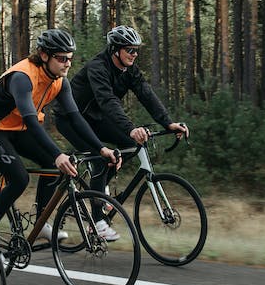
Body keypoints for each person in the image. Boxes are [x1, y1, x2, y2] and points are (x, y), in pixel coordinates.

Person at [0, 28, 120, 243]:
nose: (67, 63)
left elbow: (76, 118)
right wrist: (58, 154)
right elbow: (31, 120)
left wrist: (101, 148)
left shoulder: (59, 80)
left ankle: (40, 223)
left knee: (53, 167)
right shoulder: (22, 76)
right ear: (44, 55)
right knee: (19, 179)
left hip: (17, 129)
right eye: (61, 58)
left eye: (70, 58)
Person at [55, 25, 188, 240]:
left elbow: (146, 94)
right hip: (70, 119)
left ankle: (100, 189)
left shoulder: (130, 70)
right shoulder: (98, 67)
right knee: (100, 159)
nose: (134, 55)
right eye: (130, 50)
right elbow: (107, 101)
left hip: (94, 118)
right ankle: (97, 222)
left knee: (131, 145)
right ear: (115, 49)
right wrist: (131, 127)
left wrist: (168, 123)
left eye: (137, 51)